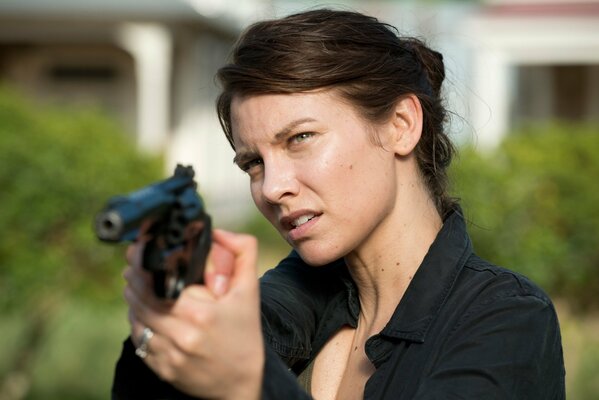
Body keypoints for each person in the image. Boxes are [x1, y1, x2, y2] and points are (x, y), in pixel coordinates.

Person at [112, 8, 565, 400]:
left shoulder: (508, 320)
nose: (271, 188)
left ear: (401, 125)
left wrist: (249, 382)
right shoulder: (292, 297)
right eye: (253, 162)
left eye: (300, 138)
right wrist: (161, 326)